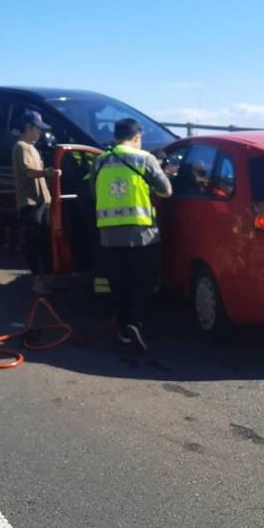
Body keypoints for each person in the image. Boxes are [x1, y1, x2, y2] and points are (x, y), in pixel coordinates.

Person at [92, 117, 172, 352]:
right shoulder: (145, 158)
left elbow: (93, 193)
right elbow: (166, 191)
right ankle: (137, 325)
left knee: (118, 283)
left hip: (109, 235)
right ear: (137, 138)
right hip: (142, 235)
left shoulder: (99, 162)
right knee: (142, 282)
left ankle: (122, 326)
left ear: (115, 137)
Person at [11, 110, 61, 293]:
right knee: (34, 242)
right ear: (28, 127)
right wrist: (48, 173)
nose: (40, 133)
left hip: (42, 202)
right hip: (30, 203)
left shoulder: (32, 147)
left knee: (46, 241)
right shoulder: (21, 147)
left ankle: (49, 279)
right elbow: (29, 172)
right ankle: (37, 281)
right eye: (38, 128)